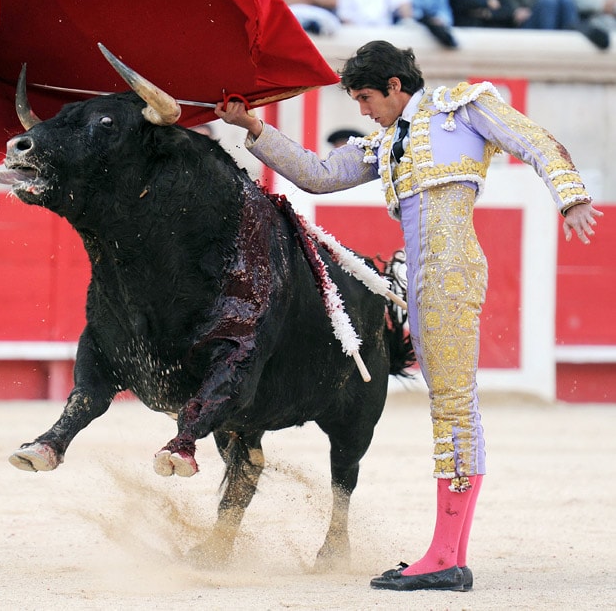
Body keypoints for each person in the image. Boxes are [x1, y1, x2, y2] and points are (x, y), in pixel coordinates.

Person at [215, 39, 601, 592]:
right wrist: (253, 128)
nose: (364, 111)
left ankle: (446, 557)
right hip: (422, 281)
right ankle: (448, 554)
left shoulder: (462, 108)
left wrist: (572, 197)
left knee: (453, 412)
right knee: (450, 410)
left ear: (397, 86)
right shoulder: (384, 142)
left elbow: (533, 139)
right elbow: (319, 174)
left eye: (368, 98)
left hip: (450, 272)